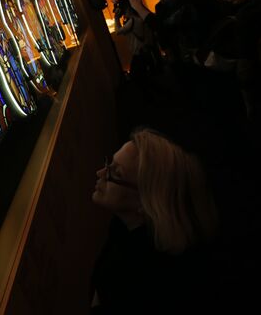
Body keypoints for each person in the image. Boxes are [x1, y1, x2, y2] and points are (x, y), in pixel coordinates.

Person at [90, 127, 219, 314]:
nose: (100, 173)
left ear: (146, 203)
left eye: (116, 174)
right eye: (109, 163)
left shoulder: (143, 280)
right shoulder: (123, 226)